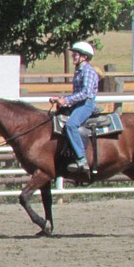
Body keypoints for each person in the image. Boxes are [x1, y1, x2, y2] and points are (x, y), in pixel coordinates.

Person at [49, 40, 99, 175]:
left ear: (85, 57)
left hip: (86, 104)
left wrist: (66, 100)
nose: (73, 57)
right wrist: (61, 100)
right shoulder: (79, 71)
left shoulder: (88, 71)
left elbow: (86, 93)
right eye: (74, 54)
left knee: (71, 125)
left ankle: (81, 158)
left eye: (76, 55)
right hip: (78, 104)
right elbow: (77, 93)